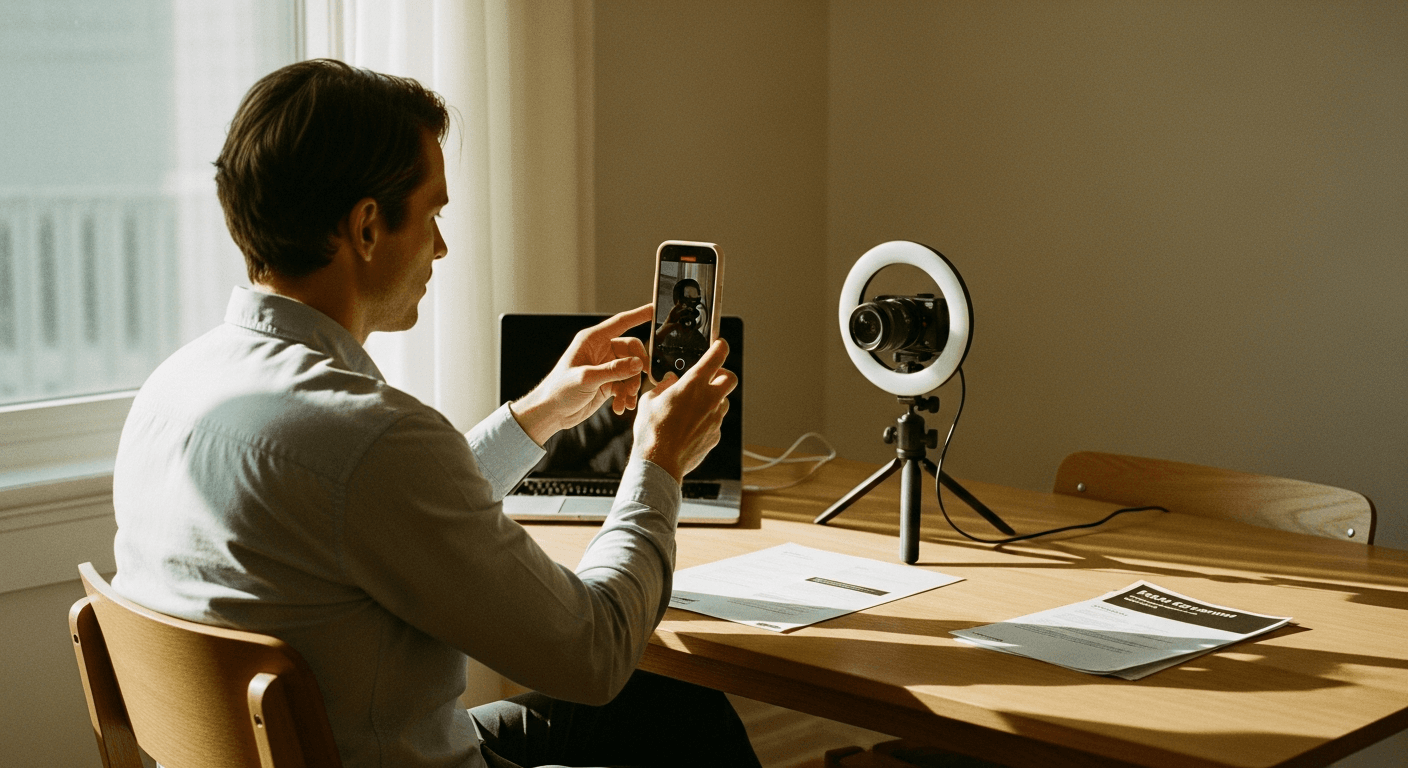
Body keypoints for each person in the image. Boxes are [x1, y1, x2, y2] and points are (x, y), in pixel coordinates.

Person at [110, 59, 758, 768]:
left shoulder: (169, 391)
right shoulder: (369, 435)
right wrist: (658, 461)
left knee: (672, 708)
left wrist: (538, 414)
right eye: (432, 216)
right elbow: (596, 652)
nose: (442, 246)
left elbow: (374, 508)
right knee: (681, 718)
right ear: (366, 228)